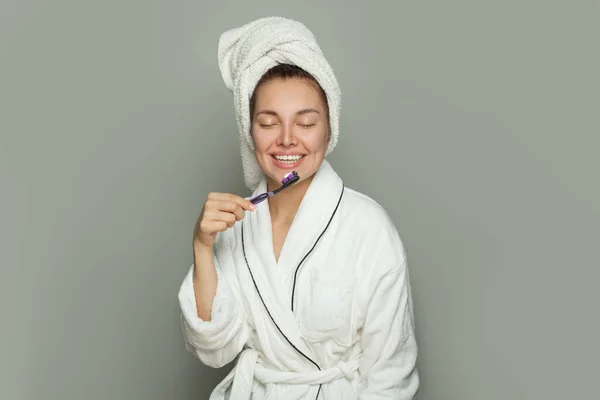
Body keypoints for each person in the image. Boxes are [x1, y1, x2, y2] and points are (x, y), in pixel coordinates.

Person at [178, 17, 419, 399]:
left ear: (329, 129)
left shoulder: (368, 227)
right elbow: (214, 349)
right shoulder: (235, 228)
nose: (287, 139)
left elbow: (390, 376)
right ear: (249, 131)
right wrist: (203, 247)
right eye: (268, 123)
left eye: (306, 123)